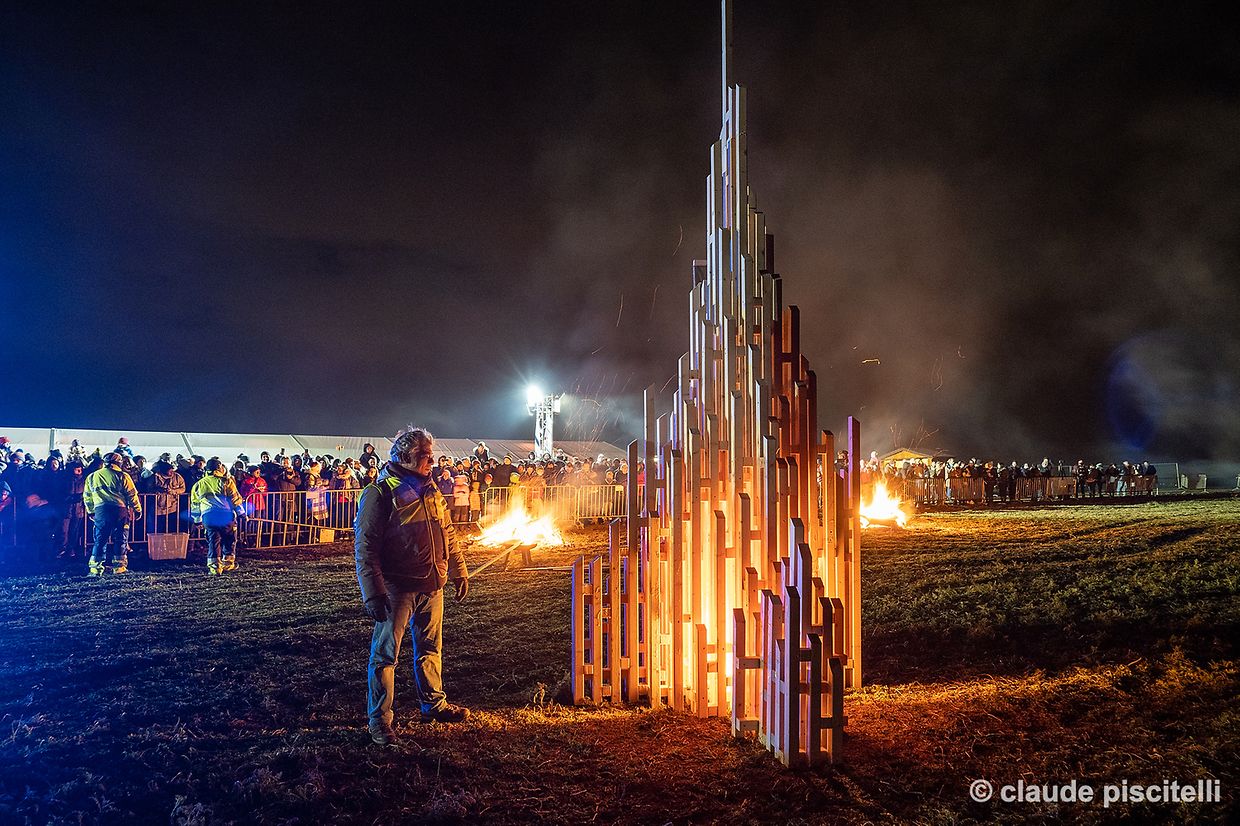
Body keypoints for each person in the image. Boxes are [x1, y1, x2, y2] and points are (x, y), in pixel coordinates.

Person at [354, 426, 470, 747]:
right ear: (404, 457)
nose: (431, 460)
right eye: (424, 455)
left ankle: (433, 704)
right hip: (397, 589)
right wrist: (373, 592)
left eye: (431, 454)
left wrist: (459, 571)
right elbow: (366, 547)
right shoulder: (379, 494)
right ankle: (380, 720)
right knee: (385, 656)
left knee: (431, 650)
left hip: (433, 585)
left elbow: (448, 533)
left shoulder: (431, 489)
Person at [82, 452, 143, 576]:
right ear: (119, 463)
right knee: (121, 539)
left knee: (100, 540)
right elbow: (132, 495)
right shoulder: (123, 476)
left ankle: (95, 569)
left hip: (101, 511)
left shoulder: (92, 477)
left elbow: (87, 496)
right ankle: (119, 568)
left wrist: (91, 511)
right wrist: (137, 509)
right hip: (120, 511)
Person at [189, 457, 246, 574]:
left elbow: (195, 504)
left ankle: (215, 568)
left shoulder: (198, 484)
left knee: (213, 541)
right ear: (219, 468)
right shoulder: (227, 481)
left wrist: (197, 520)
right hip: (226, 515)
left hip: (208, 516)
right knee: (229, 539)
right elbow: (235, 499)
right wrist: (242, 513)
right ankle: (228, 564)